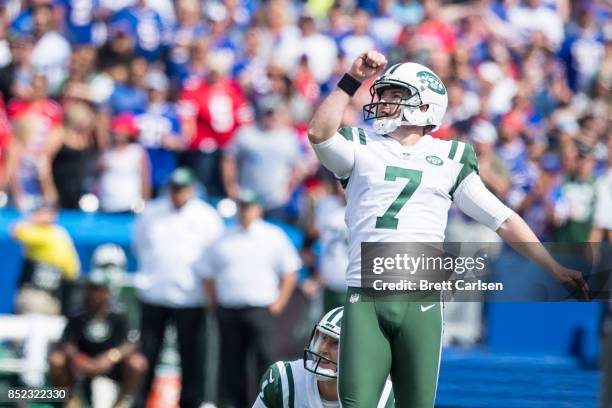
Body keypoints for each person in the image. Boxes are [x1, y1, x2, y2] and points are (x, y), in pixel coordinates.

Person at [307, 50, 588, 407]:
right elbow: (319, 133)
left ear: (426, 107)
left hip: (421, 298)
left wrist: (554, 265)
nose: (385, 102)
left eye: (397, 95)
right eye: (386, 94)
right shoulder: (362, 147)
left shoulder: (451, 158)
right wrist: (351, 80)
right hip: (366, 292)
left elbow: (501, 218)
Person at [132, 166, 224, 408]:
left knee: (191, 356)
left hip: (190, 298)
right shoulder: (152, 212)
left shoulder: (206, 216)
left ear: (192, 190)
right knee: (147, 354)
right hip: (155, 294)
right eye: (174, 189)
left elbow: (213, 258)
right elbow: (139, 245)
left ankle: (190, 403)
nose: (178, 194)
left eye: (182, 189)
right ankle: (141, 401)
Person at [199, 190, 300, 408]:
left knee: (266, 359)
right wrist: (213, 303)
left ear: (258, 209)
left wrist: (279, 303)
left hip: (261, 308)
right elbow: (206, 273)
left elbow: (290, 271)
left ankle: (268, 403)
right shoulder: (222, 238)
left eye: (249, 206)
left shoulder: (273, 235)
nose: (245, 211)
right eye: (242, 206)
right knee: (232, 363)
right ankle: (236, 405)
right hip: (229, 308)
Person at [252, 307, 395, 407]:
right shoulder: (284, 380)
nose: (322, 349)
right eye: (322, 338)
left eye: (335, 342)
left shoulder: (384, 397)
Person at [48, 266, 147, 408]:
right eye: (90, 288)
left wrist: (110, 357)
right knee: (56, 360)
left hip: (111, 364)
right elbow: (66, 343)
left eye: (97, 289)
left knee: (137, 363)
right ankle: (70, 399)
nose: (92, 293)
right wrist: (80, 359)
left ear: (107, 292)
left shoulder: (119, 315)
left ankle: (119, 403)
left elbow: (130, 343)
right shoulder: (77, 314)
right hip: (80, 364)